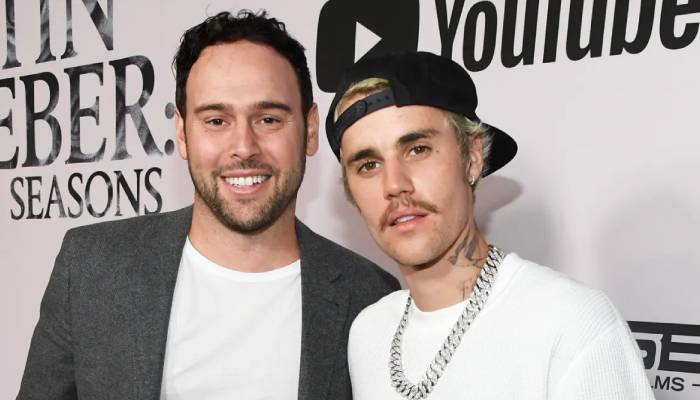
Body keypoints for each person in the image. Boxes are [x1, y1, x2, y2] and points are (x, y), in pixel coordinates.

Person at [18, 10, 398, 400]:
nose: (244, 148)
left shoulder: (371, 298)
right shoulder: (90, 267)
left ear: (310, 129)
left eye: (268, 119)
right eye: (216, 121)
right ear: (182, 133)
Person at [324, 51, 655, 399]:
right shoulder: (368, 332)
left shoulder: (573, 325)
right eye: (368, 165)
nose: (394, 184)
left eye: (417, 149)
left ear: (472, 158)